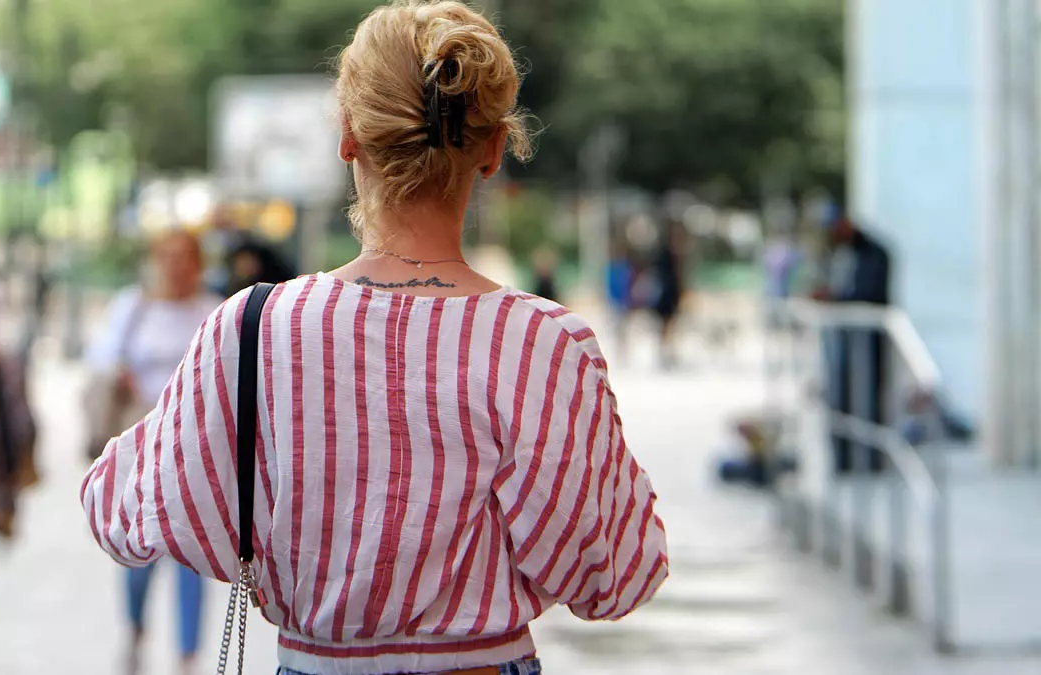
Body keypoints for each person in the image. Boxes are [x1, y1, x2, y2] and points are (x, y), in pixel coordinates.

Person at [81, 3, 668, 675]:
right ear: (494, 148)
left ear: (347, 135)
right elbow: (618, 574)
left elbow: (118, 506)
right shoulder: (542, 344)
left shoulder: (254, 329)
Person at [84, 229, 223, 675]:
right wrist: (120, 374)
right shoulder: (133, 307)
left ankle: (187, 655)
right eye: (168, 255)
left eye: (185, 256)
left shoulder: (211, 309)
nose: (176, 265)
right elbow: (101, 359)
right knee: (139, 552)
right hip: (142, 452)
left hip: (194, 452)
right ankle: (136, 630)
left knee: (192, 554)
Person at [815, 212, 892, 474]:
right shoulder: (843, 255)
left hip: (867, 345)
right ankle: (845, 461)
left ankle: (869, 461)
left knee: (867, 401)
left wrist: (835, 298)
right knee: (842, 399)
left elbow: (869, 294)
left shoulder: (876, 253)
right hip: (846, 343)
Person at [648, 223, 685, 370]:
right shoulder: (665, 255)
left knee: (670, 325)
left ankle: (668, 351)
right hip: (665, 295)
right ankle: (664, 352)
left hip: (670, 295)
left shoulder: (675, 255)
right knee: (665, 324)